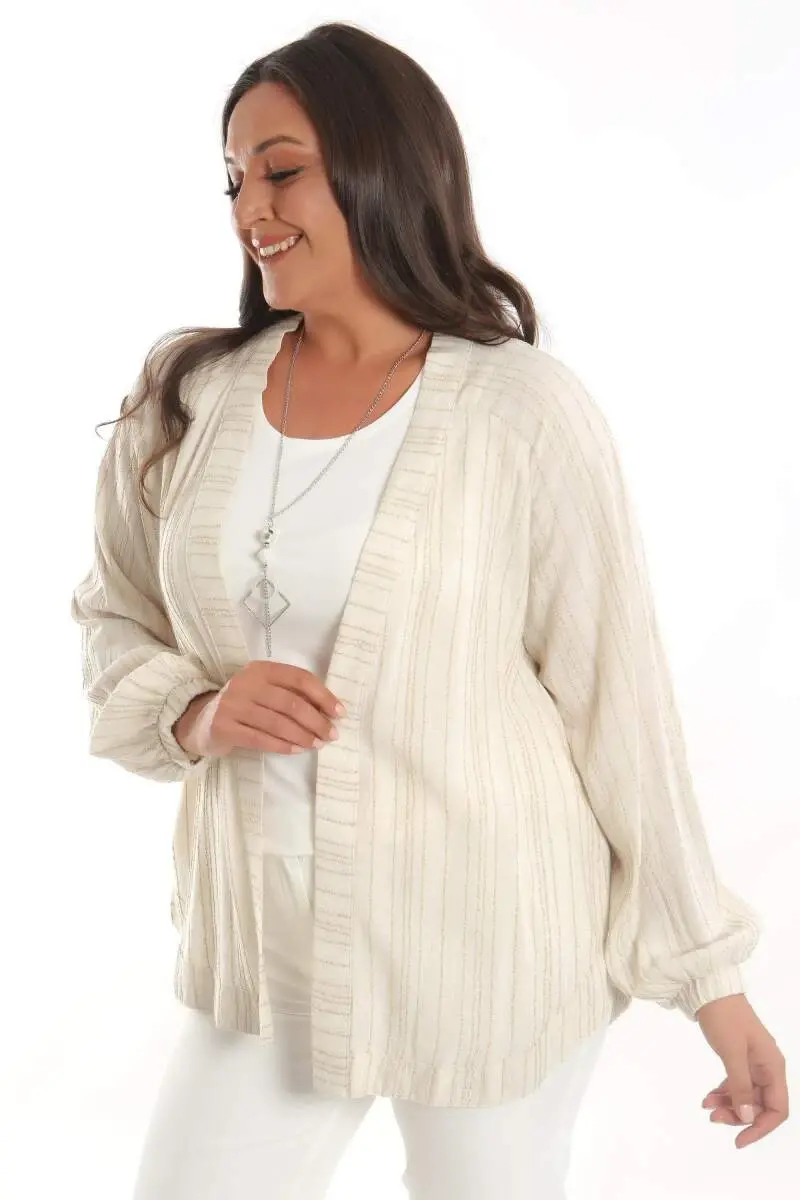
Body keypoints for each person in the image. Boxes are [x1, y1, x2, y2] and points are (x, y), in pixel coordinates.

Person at [69, 20, 788, 1200]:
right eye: (234, 177)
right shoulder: (186, 400)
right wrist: (195, 711)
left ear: (381, 166)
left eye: (281, 169)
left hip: (489, 941)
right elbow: (111, 615)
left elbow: (618, 702)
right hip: (269, 953)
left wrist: (711, 984)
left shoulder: (520, 411)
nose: (251, 205)